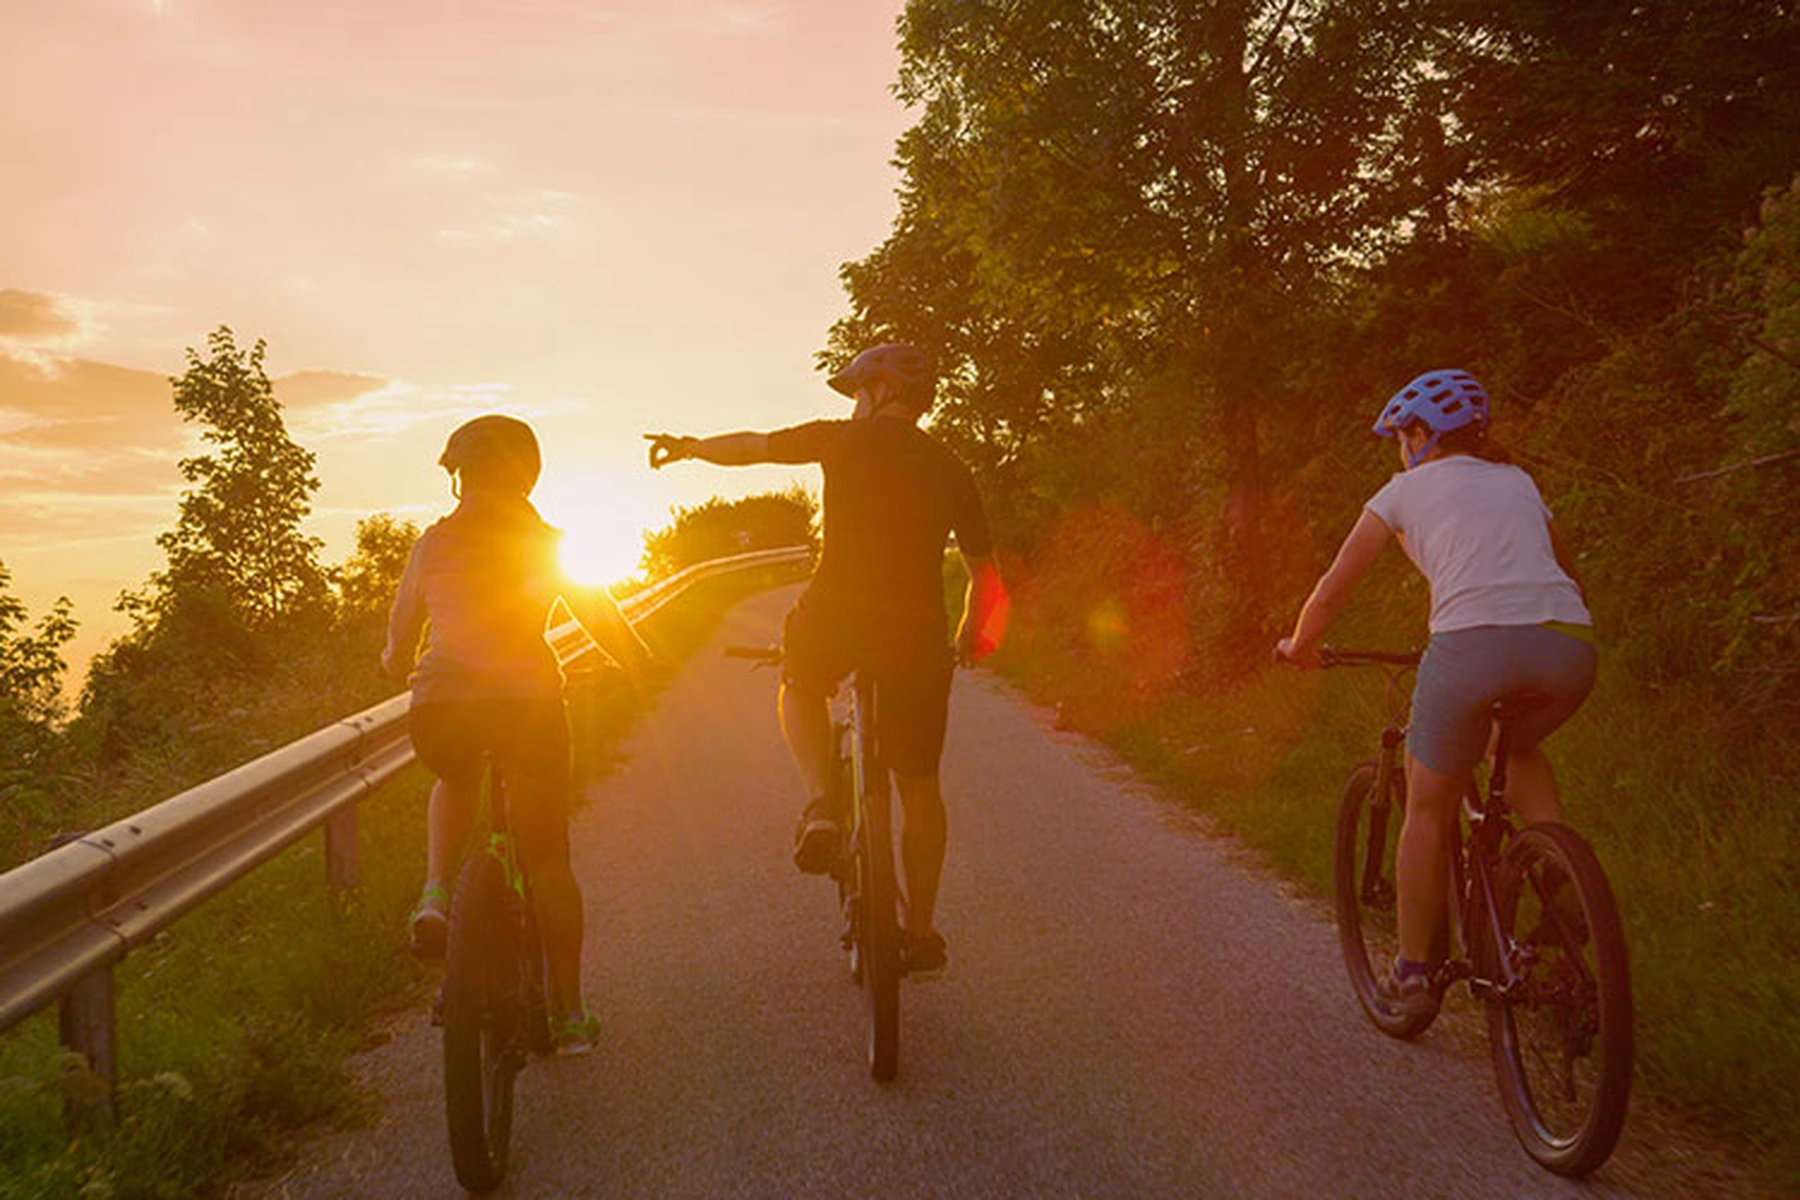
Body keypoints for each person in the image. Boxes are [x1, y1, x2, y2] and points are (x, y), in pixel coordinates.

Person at [644, 343, 1008, 975]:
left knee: (801, 683)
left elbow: (752, 447)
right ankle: (921, 935)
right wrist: (971, 636)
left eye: (861, 390)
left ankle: (820, 805)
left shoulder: (838, 439)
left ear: (882, 391)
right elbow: (987, 577)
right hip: (916, 633)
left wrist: (690, 447)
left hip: (834, 615)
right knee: (920, 790)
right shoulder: (950, 466)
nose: (857, 402)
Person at [1275, 369, 1597, 1017]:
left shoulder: (1402, 490)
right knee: (1511, 742)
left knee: (1426, 806)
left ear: (1421, 435)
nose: (1400, 450)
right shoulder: (1518, 481)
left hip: (1470, 647)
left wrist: (1300, 644)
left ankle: (1413, 972)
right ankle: (1563, 875)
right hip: (1568, 645)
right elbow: (1564, 571)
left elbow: (1335, 585)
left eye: (1402, 437)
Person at [382, 414, 652, 1055]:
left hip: (442, 707)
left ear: (458, 475)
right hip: (528, 707)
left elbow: (399, 640)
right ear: (527, 474)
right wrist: (640, 667)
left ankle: (435, 892)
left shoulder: (431, 545)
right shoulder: (547, 542)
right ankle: (570, 1014)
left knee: (455, 777)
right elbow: (602, 622)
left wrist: (397, 663)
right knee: (548, 859)